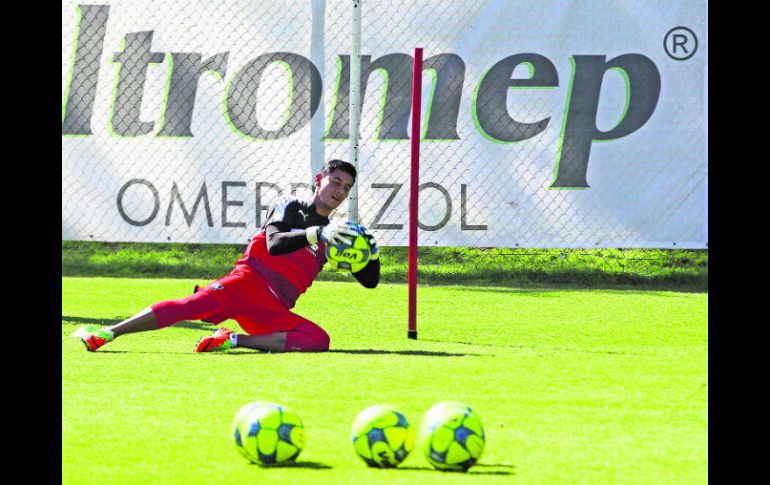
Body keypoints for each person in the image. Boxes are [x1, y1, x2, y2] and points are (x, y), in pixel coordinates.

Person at [73, 159, 379, 353]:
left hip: (272, 308)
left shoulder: (338, 232)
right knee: (190, 306)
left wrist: (371, 253)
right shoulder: (292, 206)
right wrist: (314, 234)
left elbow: (370, 281)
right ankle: (108, 333)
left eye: (347, 187)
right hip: (247, 282)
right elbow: (274, 244)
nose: (339, 190)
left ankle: (231, 340)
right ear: (319, 179)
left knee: (317, 340)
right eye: (336, 181)